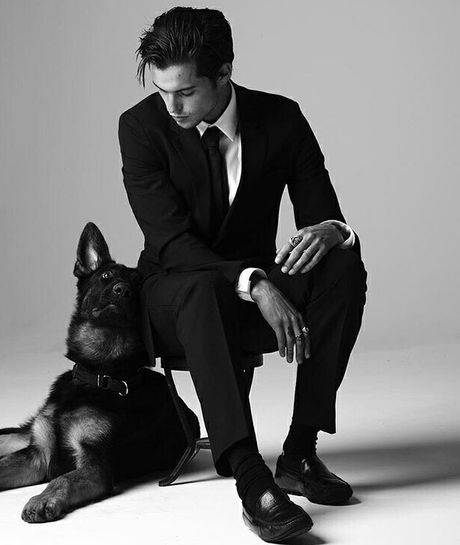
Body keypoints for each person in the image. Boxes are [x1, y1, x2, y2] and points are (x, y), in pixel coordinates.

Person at [118, 7, 367, 542]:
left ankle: (299, 453)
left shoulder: (281, 118)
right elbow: (172, 243)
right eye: (162, 92)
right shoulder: (139, 128)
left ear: (225, 72)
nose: (171, 106)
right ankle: (252, 480)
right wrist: (256, 282)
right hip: (173, 299)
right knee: (199, 285)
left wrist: (330, 229)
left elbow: (321, 212)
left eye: (184, 92)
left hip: (252, 303)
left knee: (343, 263)